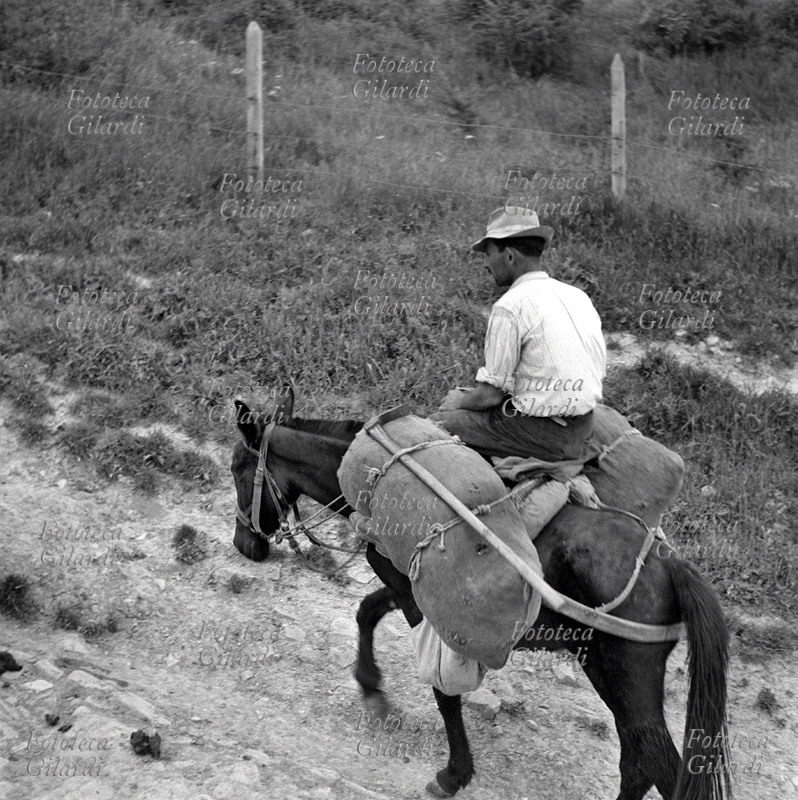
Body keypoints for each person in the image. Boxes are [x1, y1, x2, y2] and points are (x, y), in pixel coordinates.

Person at [430, 206, 606, 463]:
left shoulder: (510, 307)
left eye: (489, 254)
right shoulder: (577, 295)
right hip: (582, 427)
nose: (486, 264)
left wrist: (458, 403)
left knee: (436, 424)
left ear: (510, 256)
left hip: (542, 434)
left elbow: (490, 396)